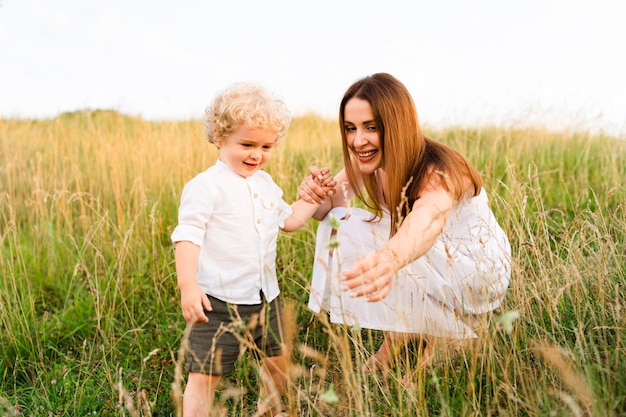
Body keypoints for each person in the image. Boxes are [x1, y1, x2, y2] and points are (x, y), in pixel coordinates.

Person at [298, 73, 511, 372]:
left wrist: (389, 257)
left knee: (394, 234)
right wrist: (314, 195)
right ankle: (403, 333)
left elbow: (428, 219)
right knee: (342, 222)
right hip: (432, 259)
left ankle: (457, 336)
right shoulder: (368, 162)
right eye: (350, 128)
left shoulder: (441, 168)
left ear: (396, 124)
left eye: (371, 127)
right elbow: (330, 209)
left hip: (476, 271)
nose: (358, 140)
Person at [171, 82, 335, 417]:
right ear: (219, 137)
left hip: (266, 297)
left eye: (266, 146)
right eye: (246, 144)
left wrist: (313, 196)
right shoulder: (206, 186)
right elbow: (188, 235)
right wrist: (188, 285)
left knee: (277, 362)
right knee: (205, 375)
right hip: (216, 301)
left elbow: (288, 221)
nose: (256, 154)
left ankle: (269, 410)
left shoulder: (266, 183)